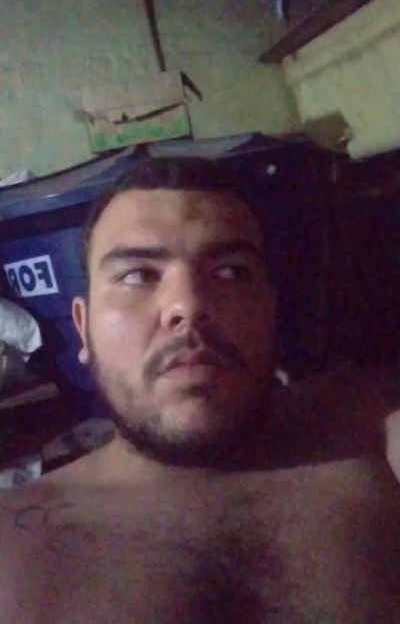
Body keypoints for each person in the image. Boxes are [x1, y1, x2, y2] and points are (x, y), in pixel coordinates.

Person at [1, 154, 400, 623]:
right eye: (138, 275)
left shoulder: (373, 423)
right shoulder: (13, 542)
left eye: (231, 271)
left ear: (270, 311)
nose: (187, 306)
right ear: (83, 328)